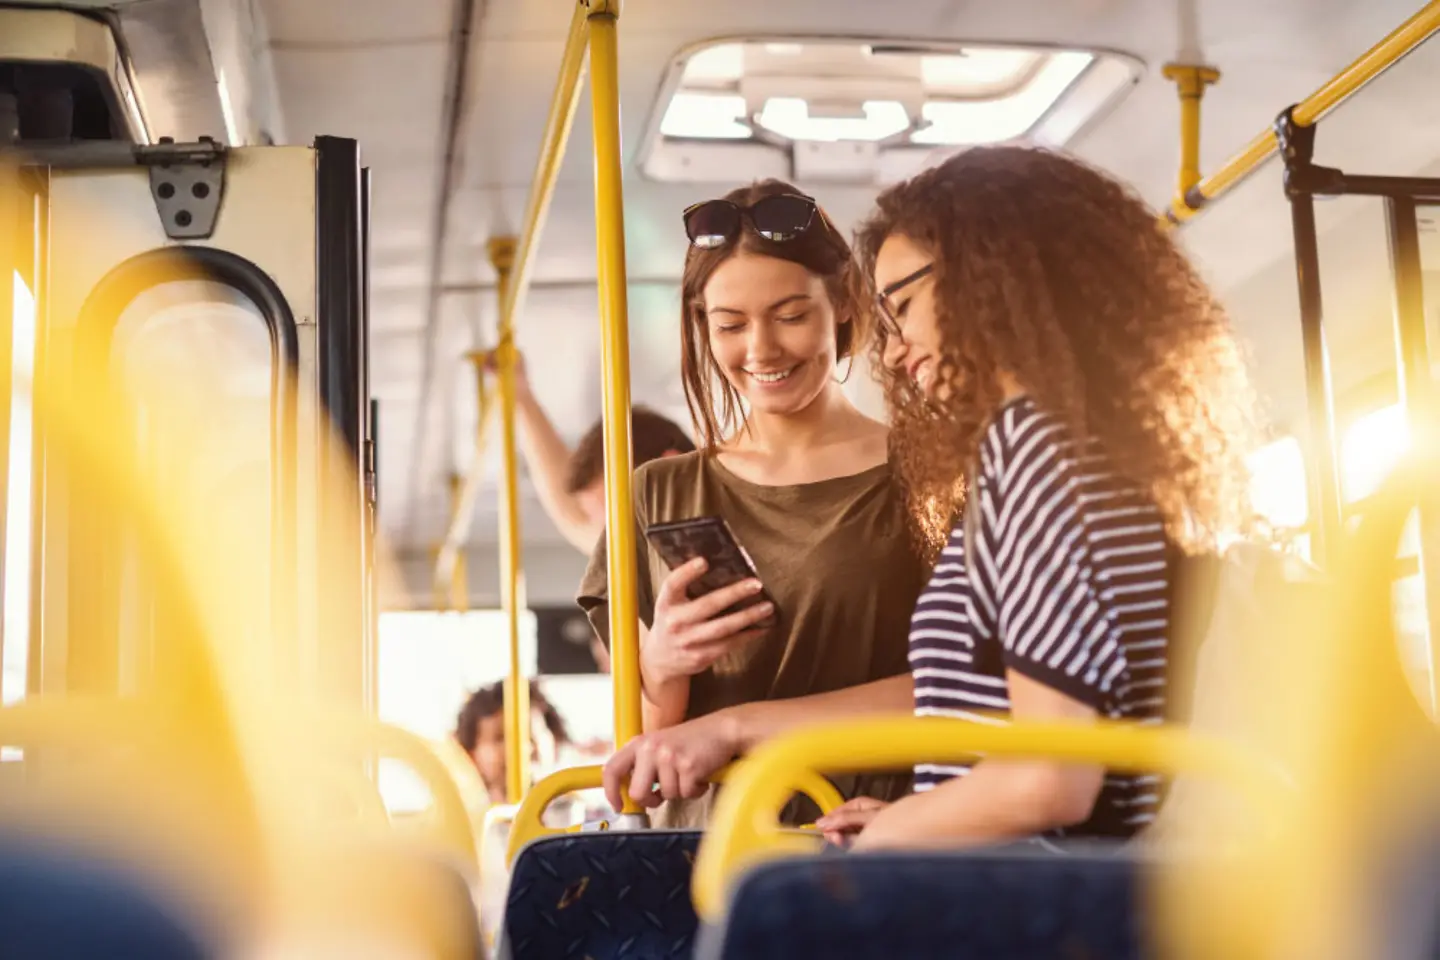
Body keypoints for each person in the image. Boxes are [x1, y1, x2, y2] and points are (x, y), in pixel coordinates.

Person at [813, 145, 1259, 850]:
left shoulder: (1035, 445)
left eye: (903, 307)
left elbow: (1053, 777)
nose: (895, 353)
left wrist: (890, 835)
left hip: (1042, 899)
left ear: (987, 275)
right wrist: (925, 813)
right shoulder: (1103, 442)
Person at [581, 181, 930, 827]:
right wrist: (662, 666)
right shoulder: (656, 491)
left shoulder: (931, 474)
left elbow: (966, 690)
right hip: (706, 849)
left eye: (792, 316)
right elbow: (649, 744)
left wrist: (741, 728)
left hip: (867, 834)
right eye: (731, 325)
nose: (761, 350)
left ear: (846, 305)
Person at [494, 352, 696, 671]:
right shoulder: (638, 551)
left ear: (667, 470)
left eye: (614, 515)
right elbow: (570, 512)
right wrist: (520, 397)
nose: (609, 537)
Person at [454, 679, 576, 805]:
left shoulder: (583, 817)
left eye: (530, 735)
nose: (523, 749)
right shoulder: (465, 822)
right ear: (471, 756)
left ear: (554, 741)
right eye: (500, 738)